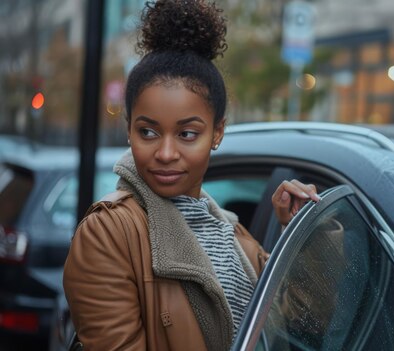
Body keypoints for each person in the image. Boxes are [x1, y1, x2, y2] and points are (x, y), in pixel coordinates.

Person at [62, 1, 319, 350]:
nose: (166, 154)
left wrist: (303, 231)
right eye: (148, 132)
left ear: (217, 133)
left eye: (187, 134)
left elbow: (304, 320)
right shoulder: (108, 232)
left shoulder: (233, 235)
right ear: (129, 130)